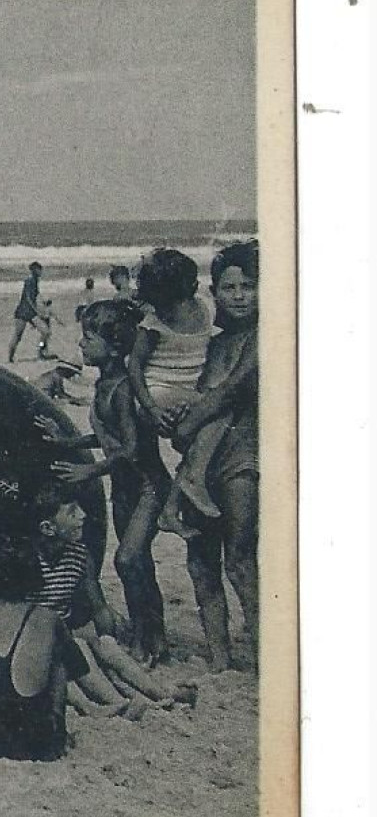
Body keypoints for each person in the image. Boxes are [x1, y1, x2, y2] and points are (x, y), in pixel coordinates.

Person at [38, 299, 170, 664]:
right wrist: (66, 442)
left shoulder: (124, 389)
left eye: (89, 338)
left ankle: (149, 638)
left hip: (148, 486)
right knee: (137, 564)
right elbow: (106, 437)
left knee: (128, 560)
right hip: (125, 488)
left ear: (113, 347)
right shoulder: (104, 385)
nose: (81, 345)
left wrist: (89, 471)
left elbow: (129, 449)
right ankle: (151, 638)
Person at [27, 487, 196, 716]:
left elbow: (98, 607)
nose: (83, 516)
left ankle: (159, 693)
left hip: (62, 633)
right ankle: (116, 703)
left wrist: (108, 638)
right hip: (34, 640)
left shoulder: (79, 555)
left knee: (104, 644)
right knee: (82, 648)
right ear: (48, 528)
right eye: (72, 512)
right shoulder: (27, 560)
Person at [172, 240, 260, 671]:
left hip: (245, 456)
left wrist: (187, 423)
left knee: (241, 559)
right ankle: (220, 659)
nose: (240, 295)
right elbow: (196, 391)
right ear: (216, 292)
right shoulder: (215, 342)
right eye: (230, 287)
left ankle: (265, 653)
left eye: (249, 285)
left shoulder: (267, 336)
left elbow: (231, 391)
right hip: (203, 459)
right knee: (200, 561)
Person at [0, 534, 72, 762]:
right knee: (60, 663)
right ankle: (59, 724)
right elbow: (73, 666)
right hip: (36, 739)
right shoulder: (48, 618)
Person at [127, 247, 214, 492]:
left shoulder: (207, 309)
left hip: (182, 393)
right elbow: (134, 366)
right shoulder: (153, 324)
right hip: (158, 392)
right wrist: (152, 409)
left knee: (193, 438)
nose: (164, 311)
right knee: (216, 415)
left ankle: (187, 483)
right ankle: (190, 482)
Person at [7, 261, 45, 363]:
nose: (41, 271)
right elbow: (28, 298)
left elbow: (36, 296)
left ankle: (40, 352)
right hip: (23, 311)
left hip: (31, 312)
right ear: (35, 270)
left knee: (45, 332)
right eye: (39, 269)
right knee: (18, 335)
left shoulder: (35, 281)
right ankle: (10, 356)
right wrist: (37, 311)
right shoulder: (29, 281)